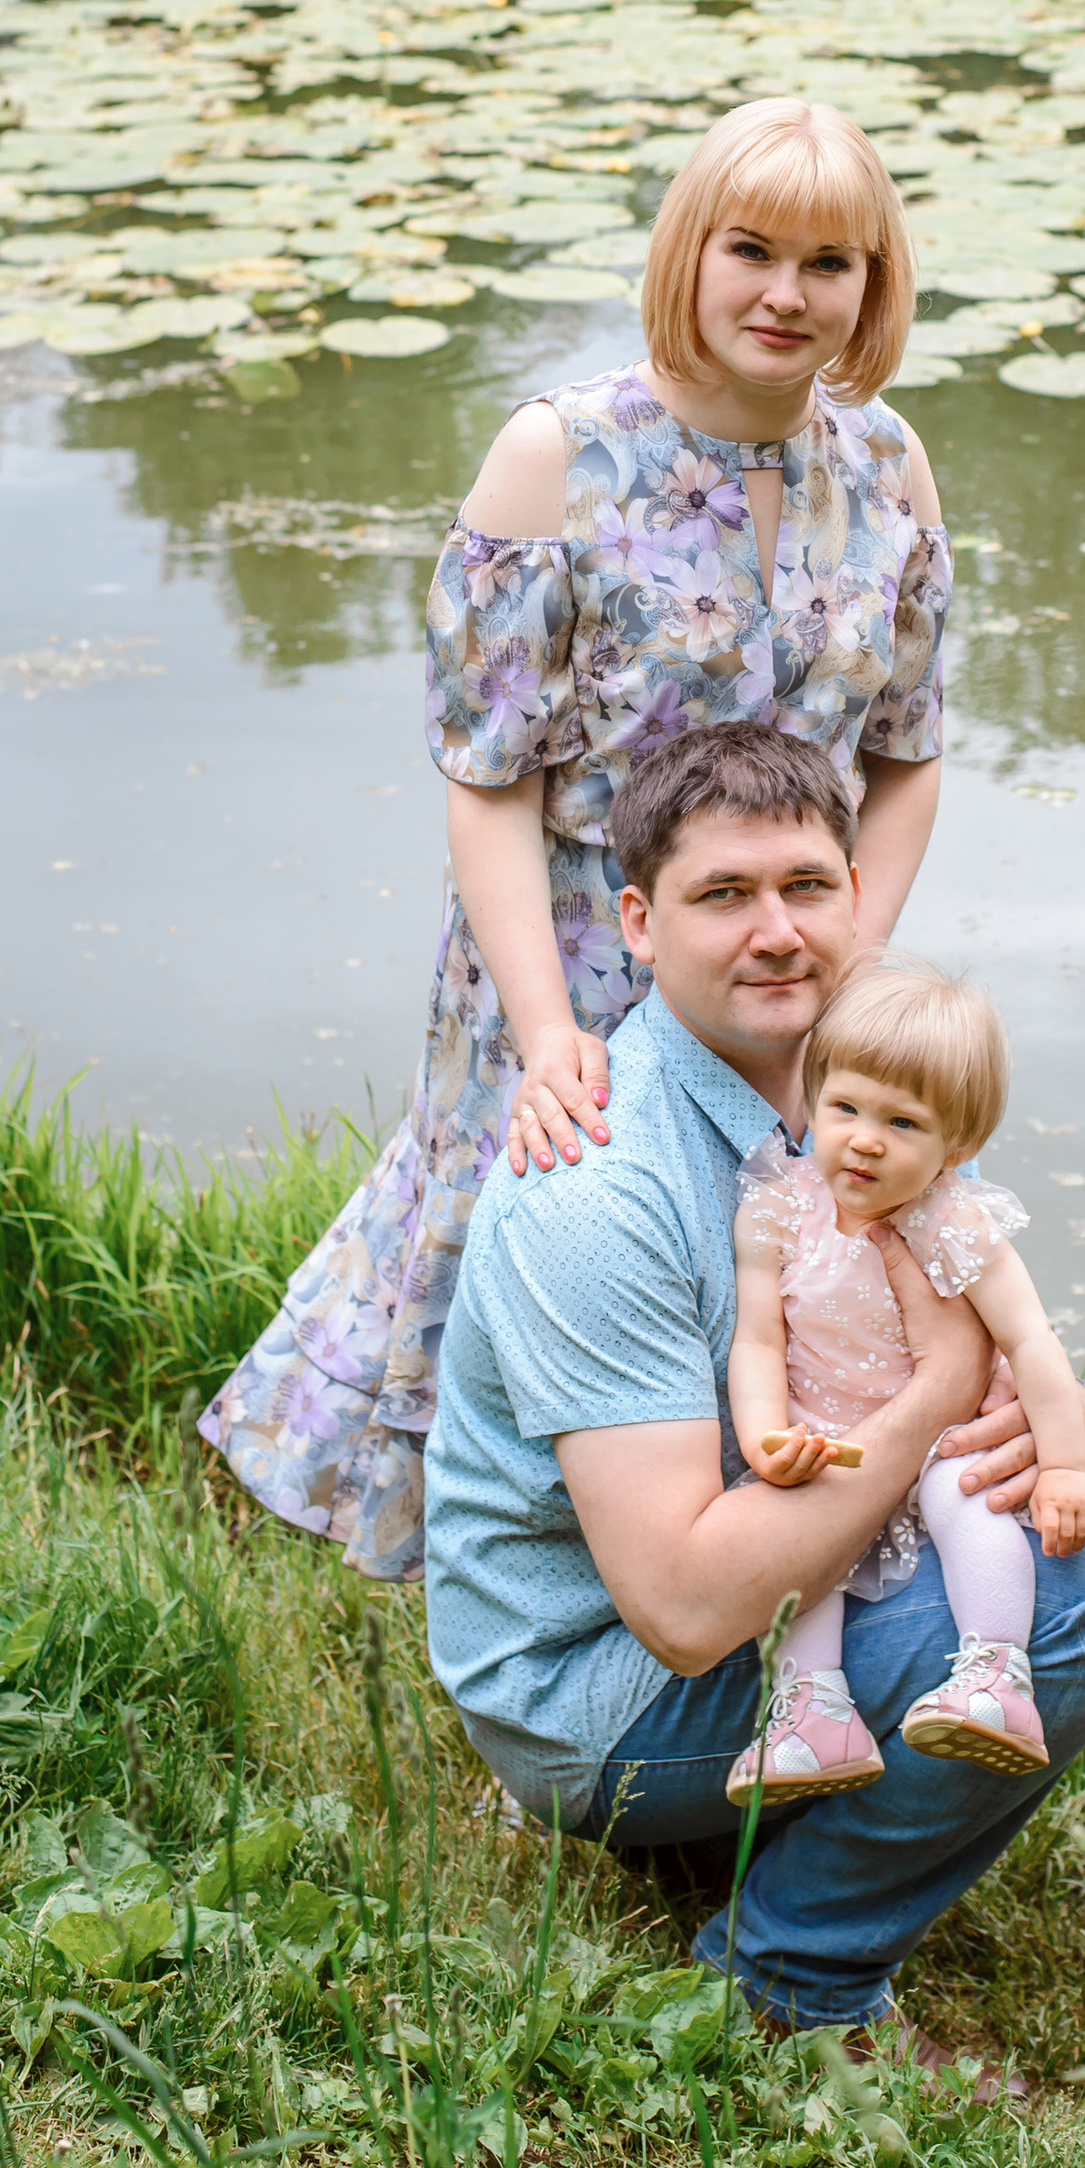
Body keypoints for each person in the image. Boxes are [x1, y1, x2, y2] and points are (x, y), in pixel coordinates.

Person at [199, 99, 951, 1584]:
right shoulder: (560, 457)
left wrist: (849, 954)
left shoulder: (891, 467)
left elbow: (908, 753)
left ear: (876, 284)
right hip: (570, 963)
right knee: (531, 1239)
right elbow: (486, 781)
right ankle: (502, 1584)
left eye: (832, 262)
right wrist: (549, 1034)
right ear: (690, 250)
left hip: (785, 968)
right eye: (752, 250)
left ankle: (748, 1572)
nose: (788, 295)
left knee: (779, 1256)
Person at [423, 719, 1085, 2045]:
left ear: (857, 896)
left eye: (808, 886)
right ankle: (785, 1981)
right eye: (722, 895)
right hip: (598, 1690)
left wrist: (1055, 1420)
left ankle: (792, 1814)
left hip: (793, 1548)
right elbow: (689, 1607)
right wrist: (941, 1392)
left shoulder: (855, 1105)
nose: (778, 931)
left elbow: (972, 1315)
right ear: (639, 921)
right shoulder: (601, 1185)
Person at [722, 957, 1085, 1806]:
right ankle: (812, 1712)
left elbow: (1030, 1340)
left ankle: (996, 1677)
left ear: (955, 1147)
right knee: (792, 1522)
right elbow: (756, 1340)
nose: (863, 1138)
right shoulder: (778, 1208)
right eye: (846, 1107)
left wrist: (1068, 1461)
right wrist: (765, 1435)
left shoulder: (953, 1219)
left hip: (939, 1433)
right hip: (827, 1428)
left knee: (966, 1493)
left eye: (902, 1123)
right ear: (814, 1099)